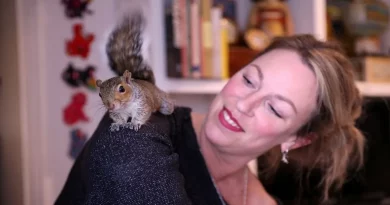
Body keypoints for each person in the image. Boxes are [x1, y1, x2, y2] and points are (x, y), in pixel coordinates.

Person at [54, 34, 365, 205]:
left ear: (296, 139)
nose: (244, 103)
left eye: (275, 108)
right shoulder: (137, 129)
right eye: (249, 80)